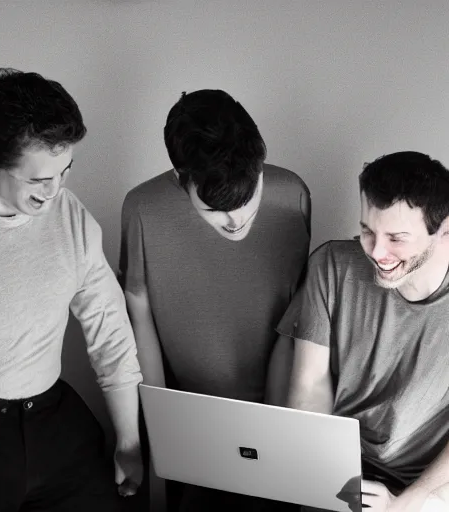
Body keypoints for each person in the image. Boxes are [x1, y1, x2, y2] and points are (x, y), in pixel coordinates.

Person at [0, 68, 143, 512]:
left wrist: (129, 441)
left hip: (55, 421)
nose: (54, 191)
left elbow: (109, 332)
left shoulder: (70, 216)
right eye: (37, 179)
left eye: (64, 170)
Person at [119, 89, 311, 511]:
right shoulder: (142, 209)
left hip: (279, 411)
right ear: (181, 176)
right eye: (217, 211)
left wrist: (278, 423)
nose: (237, 219)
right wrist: (159, 422)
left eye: (248, 200)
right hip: (190, 415)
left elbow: (299, 316)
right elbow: (140, 315)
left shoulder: (292, 195)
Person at [270, 151, 449, 512]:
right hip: (343, 462)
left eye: (397, 238)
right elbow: (310, 387)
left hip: (430, 479)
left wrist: (405, 503)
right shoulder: (332, 265)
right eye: (368, 231)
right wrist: (321, 477)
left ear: (444, 230)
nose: (376, 251)